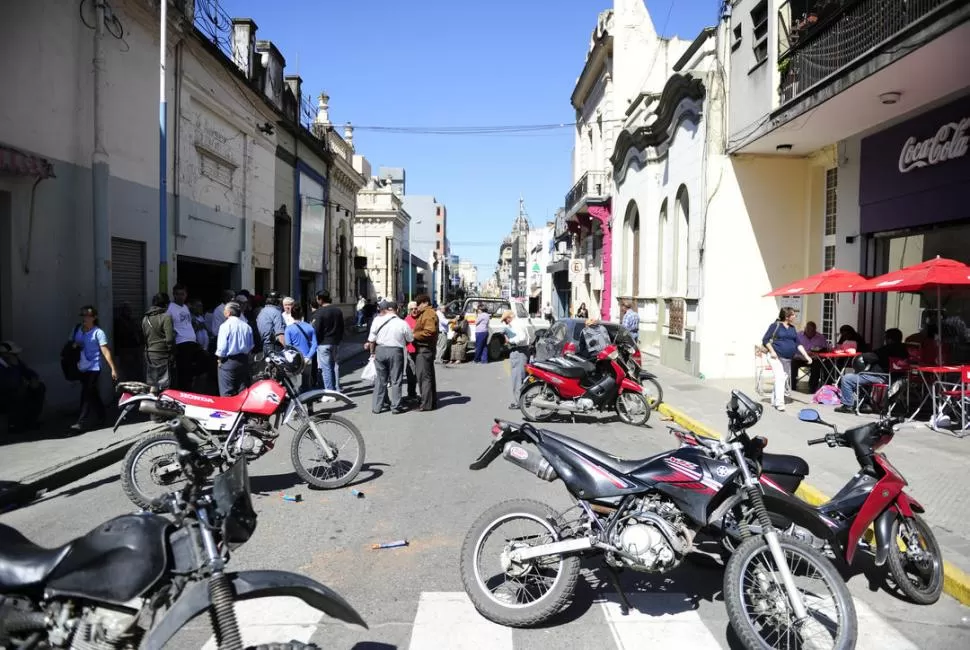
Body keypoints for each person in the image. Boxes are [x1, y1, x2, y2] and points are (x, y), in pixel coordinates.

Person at [835, 328, 908, 414]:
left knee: (847, 379)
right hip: (898, 377)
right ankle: (865, 403)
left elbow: (869, 356)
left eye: (886, 338)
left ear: (889, 339)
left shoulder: (887, 349)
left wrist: (863, 355)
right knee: (864, 376)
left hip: (881, 377)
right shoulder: (905, 350)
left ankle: (848, 405)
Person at [70, 305, 118, 432]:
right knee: (92, 393)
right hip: (81, 366)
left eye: (87, 315)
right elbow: (70, 345)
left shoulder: (98, 332)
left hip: (94, 367)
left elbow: (105, 351)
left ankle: (81, 421)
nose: (84, 318)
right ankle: (102, 415)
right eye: (83, 315)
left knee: (86, 391)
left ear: (94, 318)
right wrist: (75, 345)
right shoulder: (77, 329)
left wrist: (113, 368)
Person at [365, 300, 413, 414]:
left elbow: (371, 339)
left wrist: (372, 353)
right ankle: (395, 407)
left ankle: (377, 406)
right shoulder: (402, 323)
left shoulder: (377, 320)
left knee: (380, 380)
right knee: (396, 379)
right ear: (397, 309)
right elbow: (410, 339)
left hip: (380, 350)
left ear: (387, 309)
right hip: (396, 351)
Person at [761, 307, 811, 412]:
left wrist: (806, 356)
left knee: (782, 378)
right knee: (780, 377)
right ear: (787, 316)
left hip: (787, 358)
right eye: (793, 315)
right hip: (775, 356)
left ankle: (774, 399)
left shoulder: (792, 328)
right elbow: (765, 340)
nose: (794, 316)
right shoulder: (775, 326)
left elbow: (798, 344)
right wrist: (772, 351)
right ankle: (780, 403)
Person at [0, 341, 45, 433]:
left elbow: (27, 372)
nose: (16, 356)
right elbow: (11, 383)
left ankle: (31, 421)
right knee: (17, 393)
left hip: (15, 392)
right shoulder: (3, 365)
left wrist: (34, 379)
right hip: (4, 395)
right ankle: (14, 425)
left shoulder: (16, 362)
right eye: (14, 354)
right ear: (5, 354)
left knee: (39, 388)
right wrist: (14, 367)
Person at [215, 301, 254, 397]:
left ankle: (229, 411)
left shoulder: (225, 325)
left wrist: (219, 359)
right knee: (243, 391)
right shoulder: (247, 326)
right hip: (243, 361)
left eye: (225, 310)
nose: (224, 312)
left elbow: (222, 347)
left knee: (227, 392)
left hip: (229, 361)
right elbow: (250, 346)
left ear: (228, 313)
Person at [310, 291, 345, 391]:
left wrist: (315, 342)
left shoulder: (319, 312)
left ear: (320, 299)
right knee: (335, 366)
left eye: (317, 299)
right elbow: (342, 327)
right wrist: (339, 339)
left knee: (326, 368)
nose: (317, 301)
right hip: (335, 342)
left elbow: (316, 329)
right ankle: (336, 388)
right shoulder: (338, 310)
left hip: (323, 343)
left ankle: (329, 390)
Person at [168, 283, 200, 390]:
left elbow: (188, 323)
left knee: (197, 367)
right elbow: (168, 326)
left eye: (182, 294)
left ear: (186, 295)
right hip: (181, 343)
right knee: (184, 372)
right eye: (177, 294)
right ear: (174, 295)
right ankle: (184, 393)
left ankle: (190, 390)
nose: (180, 296)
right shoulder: (170, 308)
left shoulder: (185, 307)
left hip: (192, 342)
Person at [412, 294, 439, 411]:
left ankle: (426, 405)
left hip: (424, 349)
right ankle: (430, 402)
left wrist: (414, 335)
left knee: (424, 378)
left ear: (425, 303)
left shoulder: (428, 313)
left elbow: (429, 331)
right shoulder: (426, 313)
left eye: (418, 304)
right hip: (425, 349)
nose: (417, 307)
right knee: (427, 377)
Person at [143, 292, 175, 390]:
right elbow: (169, 339)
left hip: (149, 354)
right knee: (164, 383)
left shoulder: (145, 318)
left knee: (152, 383)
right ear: (166, 304)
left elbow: (145, 337)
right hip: (162, 354)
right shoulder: (166, 317)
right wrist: (172, 352)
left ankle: (152, 402)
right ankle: (163, 403)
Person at [501, 309, 531, 409]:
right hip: (522, 351)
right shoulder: (519, 323)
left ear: (509, 317)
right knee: (521, 377)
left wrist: (510, 340)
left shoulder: (516, 324)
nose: (505, 322)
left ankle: (519, 402)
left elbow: (521, 338)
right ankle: (523, 400)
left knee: (517, 378)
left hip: (519, 351)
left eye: (505, 320)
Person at [285, 303, 317, 393]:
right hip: (307, 360)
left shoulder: (289, 329)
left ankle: (297, 405)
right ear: (302, 314)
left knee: (295, 386)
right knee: (307, 385)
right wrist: (308, 357)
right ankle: (310, 406)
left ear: (291, 315)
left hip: (295, 361)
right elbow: (314, 345)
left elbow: (288, 347)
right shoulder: (309, 327)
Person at [791, 320, 828, 393]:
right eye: (808, 330)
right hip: (799, 358)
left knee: (817, 364)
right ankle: (792, 385)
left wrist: (817, 353)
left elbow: (825, 349)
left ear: (815, 330)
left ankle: (813, 387)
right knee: (793, 363)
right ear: (805, 328)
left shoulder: (820, 337)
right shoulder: (798, 335)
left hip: (814, 359)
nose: (810, 332)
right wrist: (802, 355)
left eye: (812, 331)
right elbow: (792, 348)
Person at [256, 291, 286, 355]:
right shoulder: (276, 312)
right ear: (278, 301)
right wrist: (286, 351)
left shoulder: (262, 311)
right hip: (274, 347)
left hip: (263, 347)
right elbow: (280, 334)